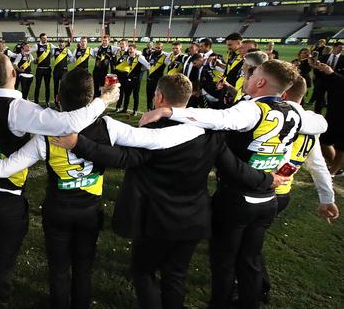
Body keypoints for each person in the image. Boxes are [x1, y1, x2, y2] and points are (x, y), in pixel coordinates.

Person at [0, 69, 209, 309]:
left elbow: (6, 168)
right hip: (89, 210)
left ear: (57, 97)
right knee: (83, 267)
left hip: (57, 210)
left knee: (58, 268)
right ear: (91, 98)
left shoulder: (45, 134)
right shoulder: (109, 127)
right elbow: (143, 146)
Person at [53, 74, 282, 309]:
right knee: (176, 275)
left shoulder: (156, 133)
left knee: (143, 272)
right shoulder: (210, 134)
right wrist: (267, 179)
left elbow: (123, 158)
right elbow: (236, 169)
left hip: (156, 220)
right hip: (194, 219)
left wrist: (78, 143)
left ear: (160, 97)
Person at [140, 60, 327, 309]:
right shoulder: (294, 112)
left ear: (260, 82)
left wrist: (169, 111)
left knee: (224, 261)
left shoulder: (252, 110)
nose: (247, 78)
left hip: (238, 196)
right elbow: (320, 124)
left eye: (253, 74)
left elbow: (220, 118)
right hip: (268, 197)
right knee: (249, 260)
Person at [0, 4, 119, 309]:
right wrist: (104, 99)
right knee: (5, 259)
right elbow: (70, 123)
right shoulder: (22, 110)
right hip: (8, 193)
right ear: (13, 72)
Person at [258, 76, 340, 302]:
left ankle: (258, 287)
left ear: (282, 94)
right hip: (283, 193)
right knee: (251, 240)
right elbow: (318, 165)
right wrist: (326, 197)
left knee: (249, 245)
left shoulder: (279, 122)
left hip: (265, 191)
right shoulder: (312, 125)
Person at [311, 51, 344, 176]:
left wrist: (332, 73)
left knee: (341, 145)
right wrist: (319, 68)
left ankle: (333, 171)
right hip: (334, 107)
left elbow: (336, 78)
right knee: (324, 140)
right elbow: (327, 80)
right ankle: (335, 166)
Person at [116, 43, 150, 115]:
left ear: (135, 49)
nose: (130, 50)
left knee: (135, 95)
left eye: (131, 49)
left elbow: (148, 65)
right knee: (127, 94)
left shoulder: (140, 57)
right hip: (129, 78)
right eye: (129, 49)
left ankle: (135, 111)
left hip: (136, 80)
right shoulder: (128, 57)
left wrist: (141, 71)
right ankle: (125, 109)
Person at [51, 39, 74, 109]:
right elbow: (49, 57)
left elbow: (72, 59)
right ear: (58, 43)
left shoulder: (67, 50)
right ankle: (56, 103)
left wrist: (67, 63)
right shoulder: (54, 50)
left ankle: (63, 102)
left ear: (64, 44)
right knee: (55, 87)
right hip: (56, 71)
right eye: (60, 43)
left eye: (62, 43)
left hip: (64, 71)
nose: (61, 44)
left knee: (63, 88)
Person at [32, 33, 53, 106]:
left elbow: (57, 49)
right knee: (37, 86)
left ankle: (47, 102)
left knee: (47, 86)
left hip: (48, 69)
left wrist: (66, 45)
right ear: (40, 39)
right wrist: (34, 60)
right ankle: (36, 101)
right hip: (40, 69)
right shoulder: (36, 45)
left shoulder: (50, 45)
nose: (45, 39)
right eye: (43, 38)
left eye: (46, 38)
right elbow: (28, 52)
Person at [146, 41, 168, 110]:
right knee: (149, 97)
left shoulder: (165, 56)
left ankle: (156, 111)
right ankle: (149, 110)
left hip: (158, 81)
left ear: (162, 48)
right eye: (156, 47)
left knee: (158, 98)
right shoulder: (151, 54)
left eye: (159, 47)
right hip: (149, 79)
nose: (157, 49)